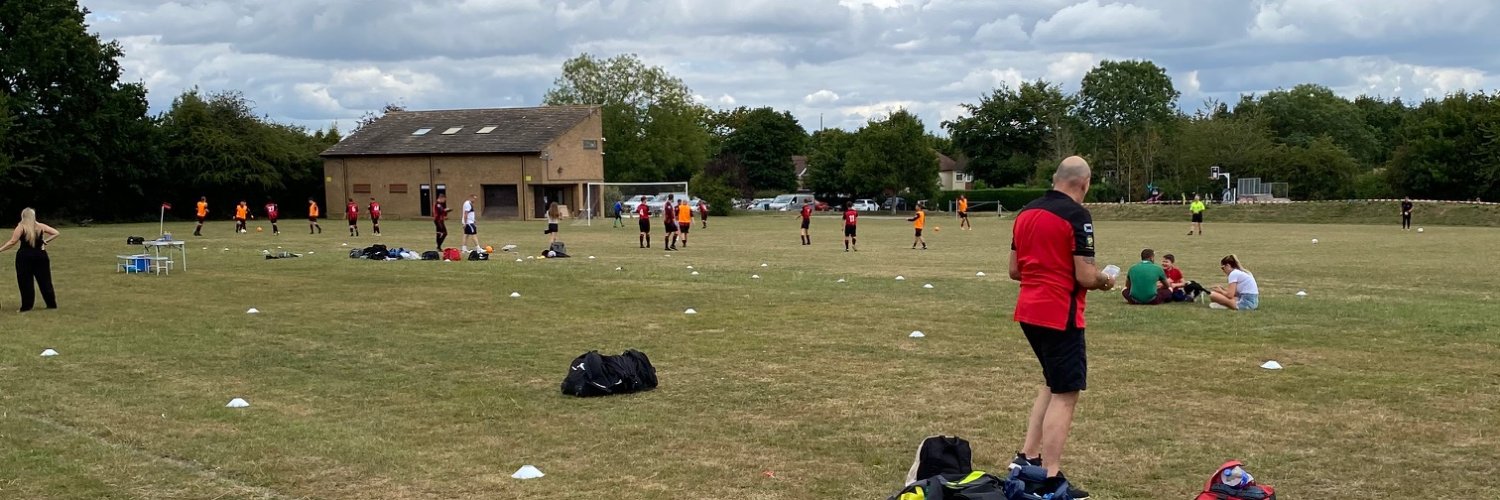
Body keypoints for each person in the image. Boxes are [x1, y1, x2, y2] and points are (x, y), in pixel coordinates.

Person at [1006, 156, 1112, 500]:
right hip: (1059, 312)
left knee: (1051, 384)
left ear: (1055, 178)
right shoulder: (1077, 215)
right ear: (1085, 182)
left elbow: (1015, 270)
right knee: (1066, 393)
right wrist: (1104, 280)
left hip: (1029, 310)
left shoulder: (1025, 213)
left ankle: (1027, 457)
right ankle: (1049, 477)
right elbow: (1084, 275)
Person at [0, 208, 60, 312]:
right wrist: (45, 241)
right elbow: (56, 232)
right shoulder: (40, 226)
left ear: (23, 216)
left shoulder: (21, 228)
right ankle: (51, 304)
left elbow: (12, 242)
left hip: (25, 256)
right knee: (45, 280)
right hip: (41, 256)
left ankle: (27, 306)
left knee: (25, 281)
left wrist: (0, 249)